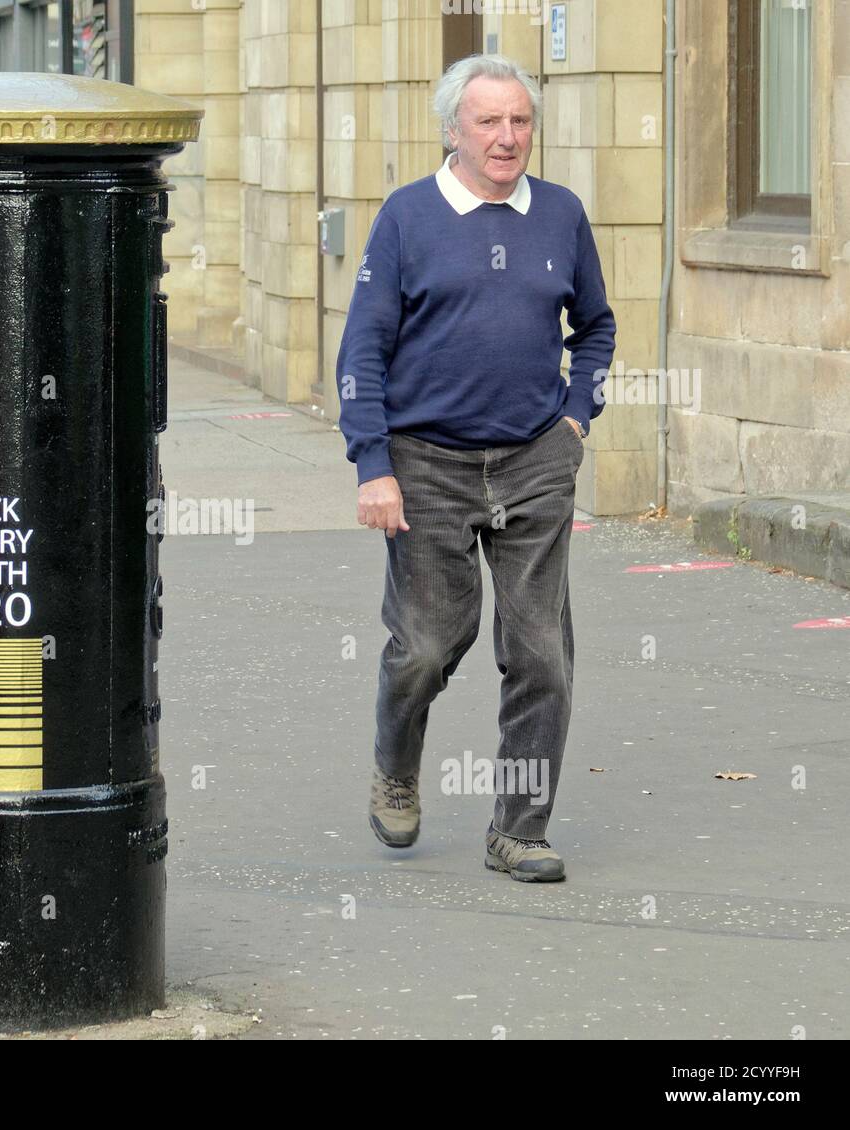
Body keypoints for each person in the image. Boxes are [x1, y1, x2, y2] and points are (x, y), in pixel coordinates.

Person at [337, 54, 616, 882]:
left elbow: (595, 327)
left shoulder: (560, 214)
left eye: (520, 121)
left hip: (535, 458)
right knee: (427, 644)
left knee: (541, 652)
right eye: (489, 121)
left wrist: (576, 419)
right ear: (453, 129)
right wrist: (372, 463)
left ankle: (519, 829)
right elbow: (363, 348)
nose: (507, 137)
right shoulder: (408, 217)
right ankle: (395, 761)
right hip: (425, 463)